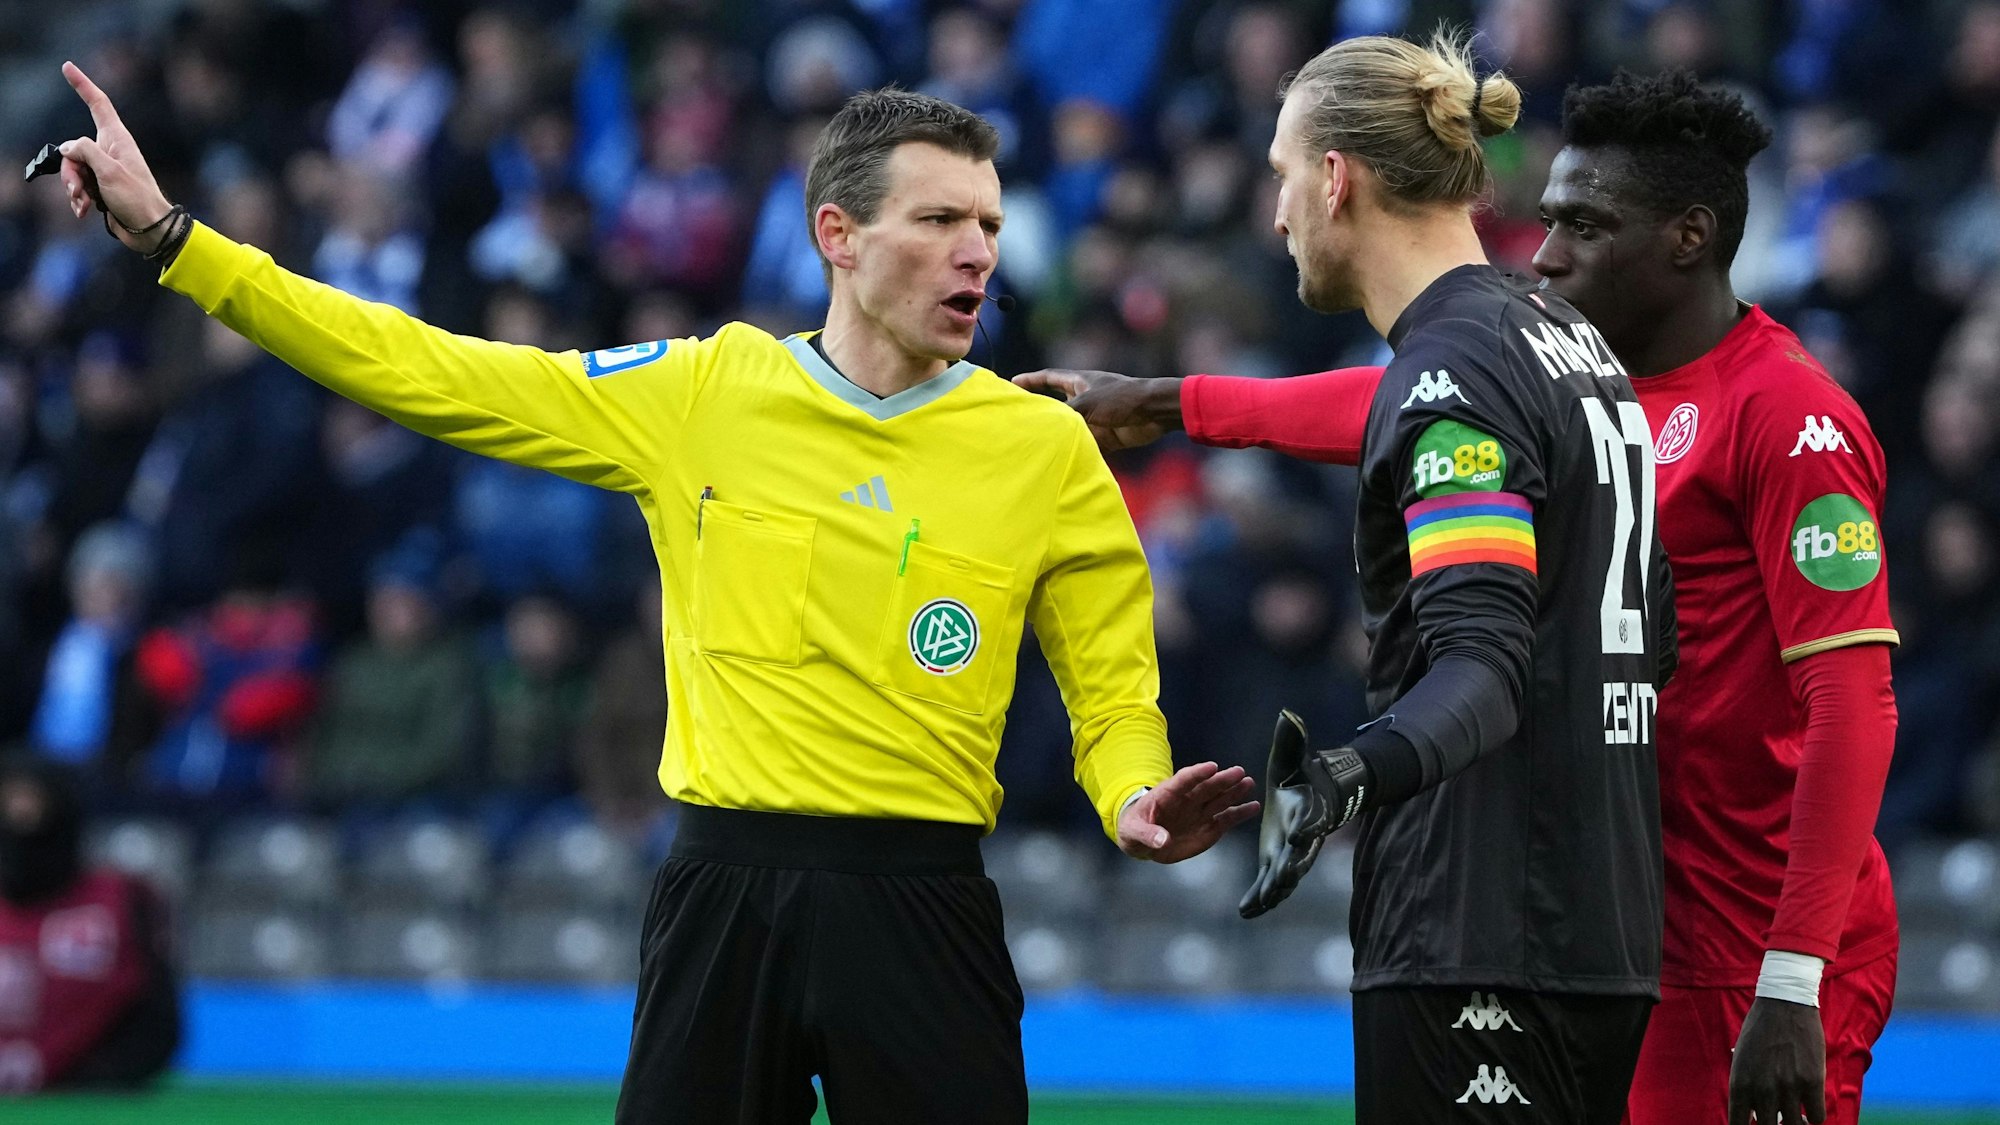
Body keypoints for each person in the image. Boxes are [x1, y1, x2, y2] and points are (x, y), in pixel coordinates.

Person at [43, 65, 1259, 1124]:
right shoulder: (698, 392)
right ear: (837, 234)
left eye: (987, 221)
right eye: (939, 218)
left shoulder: (1039, 447)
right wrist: (178, 247)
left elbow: (1111, 694)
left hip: (923, 906)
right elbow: (425, 369)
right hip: (722, 895)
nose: (979, 251)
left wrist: (1131, 796)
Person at [1026, 68, 1899, 1125]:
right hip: (1628, 904)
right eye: (1548, 219)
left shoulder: (1788, 417)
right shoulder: (1581, 365)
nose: (1552, 252)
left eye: (1585, 225)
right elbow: (1409, 402)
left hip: (1752, 936)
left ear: (1687, 237)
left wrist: (1793, 975)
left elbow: (1852, 704)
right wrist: (1171, 402)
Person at [0, 755, 180, 1092]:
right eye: (8, 803)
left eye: (29, 803)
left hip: (93, 1087)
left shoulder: (117, 901)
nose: (17, 816)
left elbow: (154, 1013)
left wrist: (97, 1073)